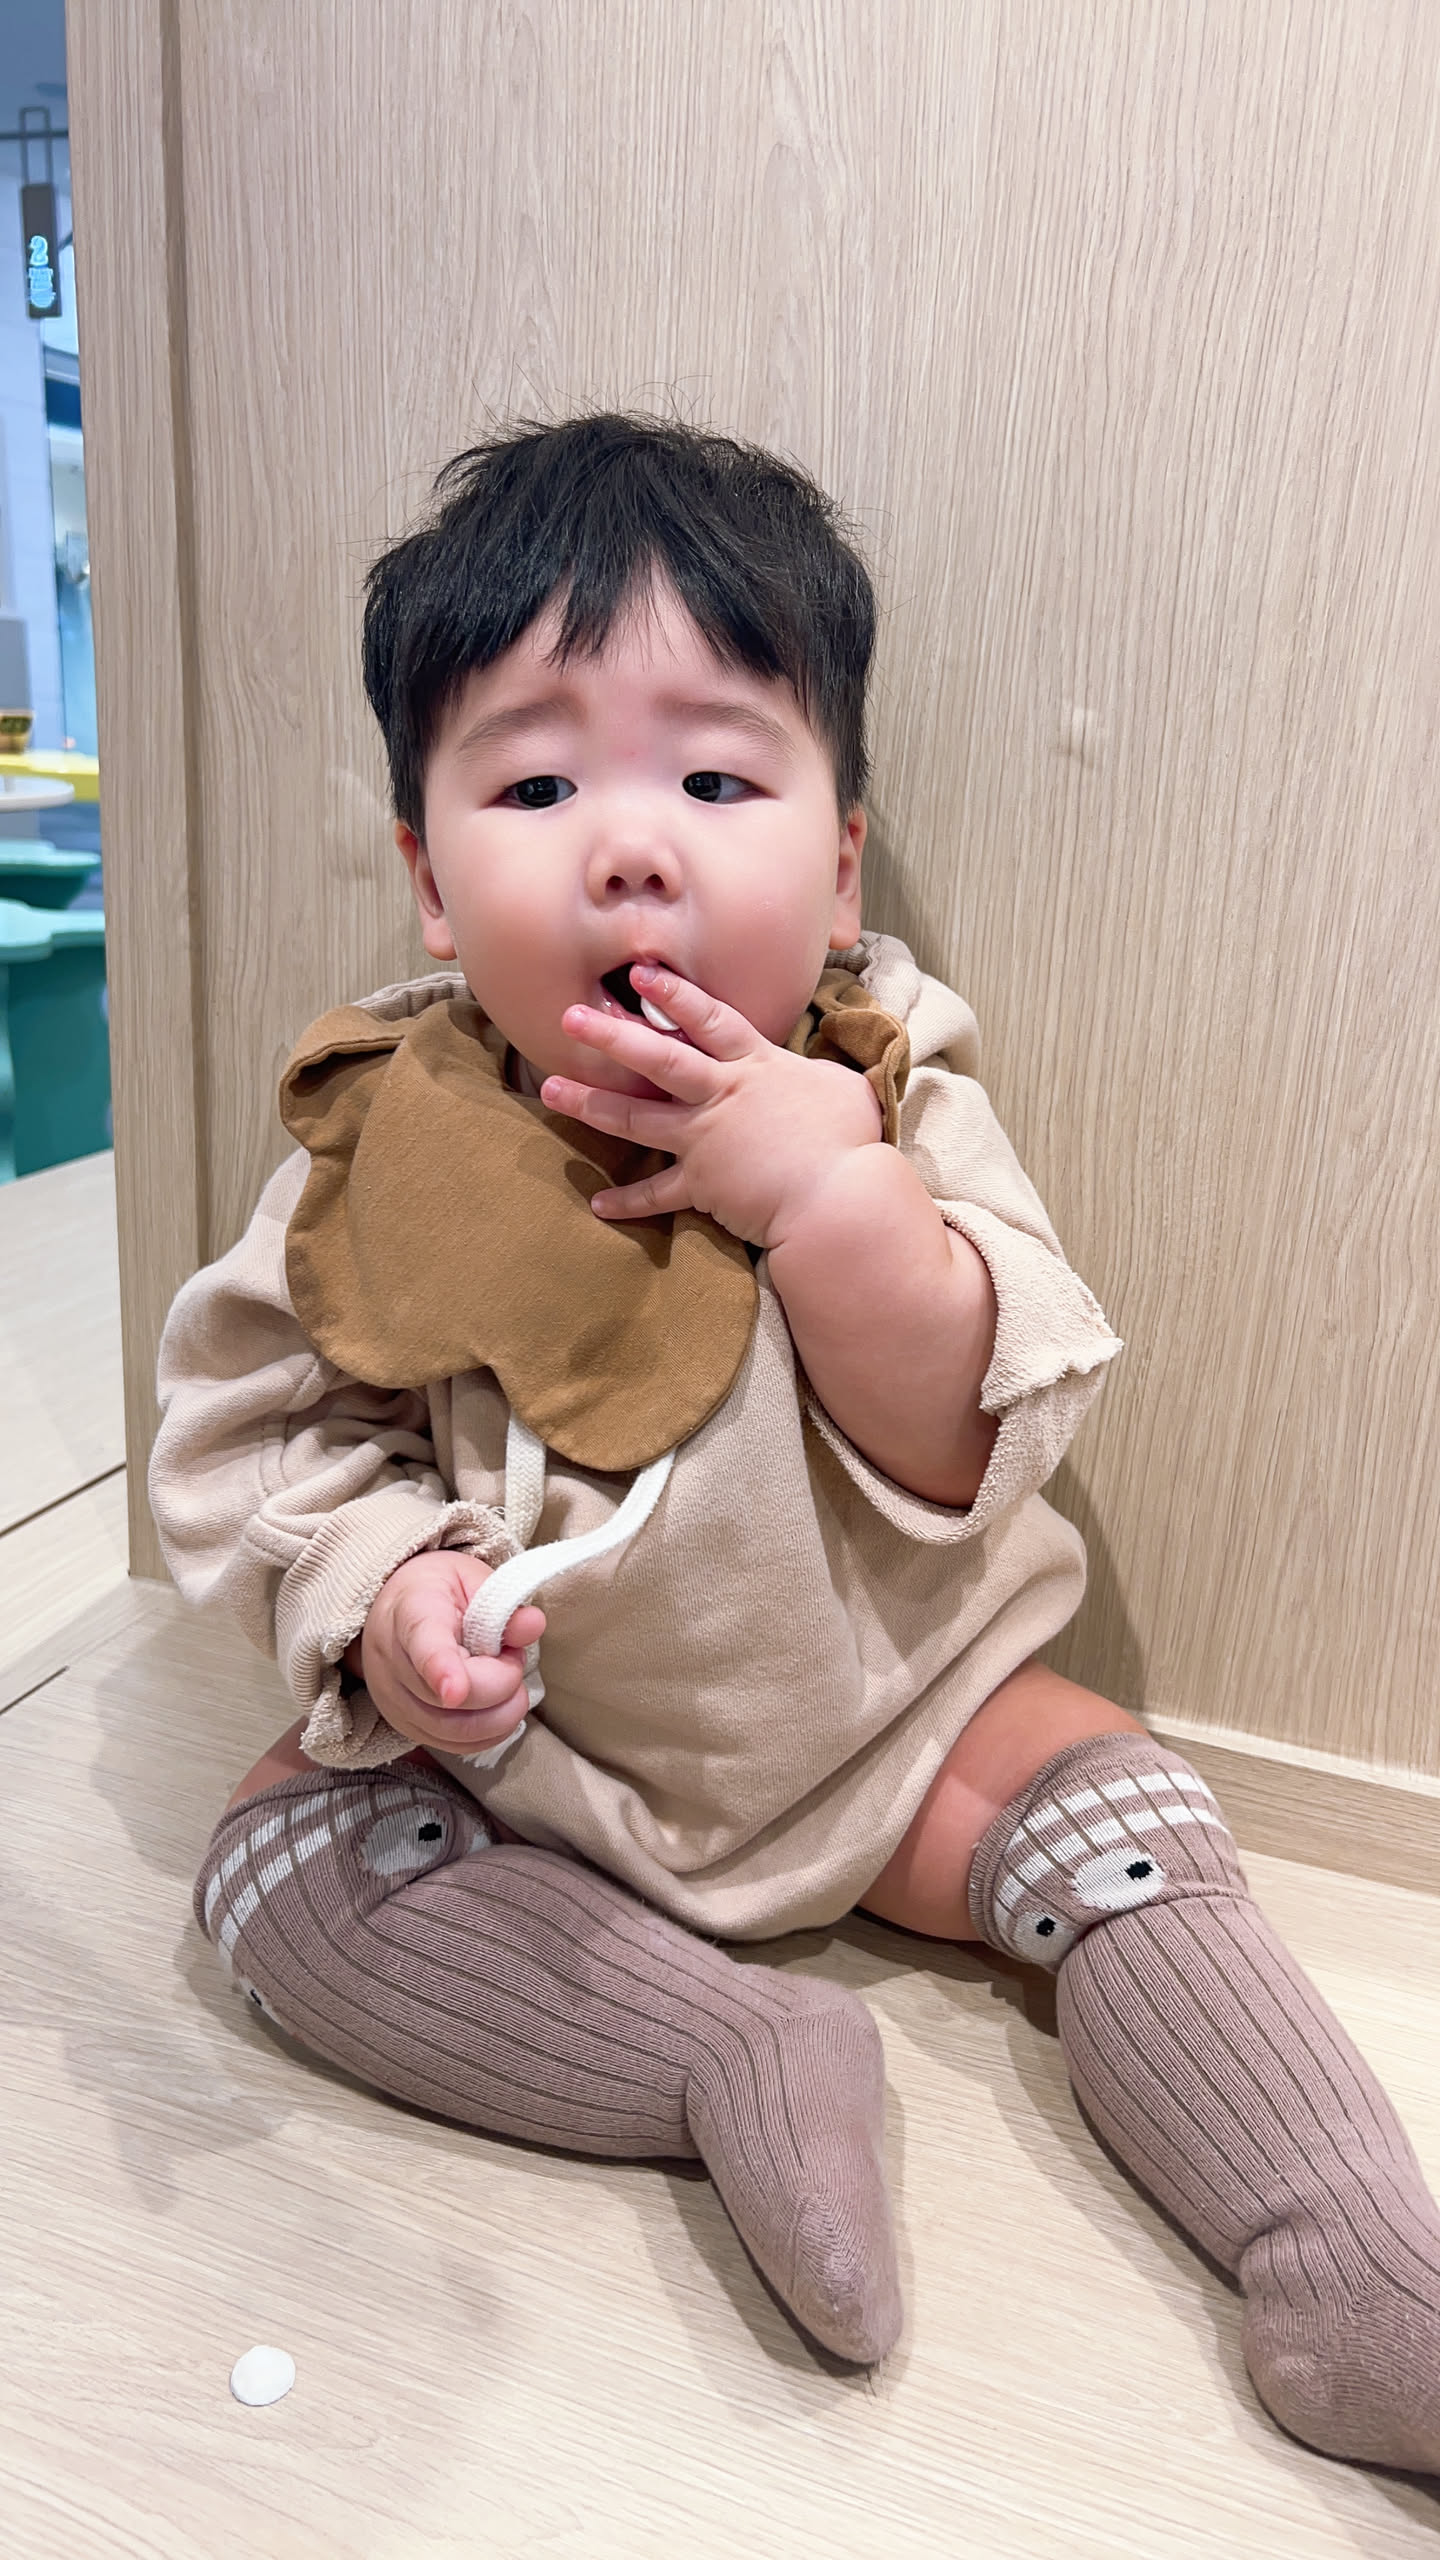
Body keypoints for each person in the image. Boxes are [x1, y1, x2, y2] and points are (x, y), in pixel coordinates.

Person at [153, 414, 1439, 2468]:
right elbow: (258, 1436)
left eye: (717, 780)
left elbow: (967, 1434)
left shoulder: (888, 1074)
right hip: (531, 1766)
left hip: (895, 1717)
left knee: (1120, 1802)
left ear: (839, 864)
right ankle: (726, 2056)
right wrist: (390, 1600)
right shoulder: (385, 1135)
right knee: (272, 1856)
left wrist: (833, 1199)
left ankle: (1353, 2253)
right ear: (427, 873)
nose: (628, 846)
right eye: (535, 785)